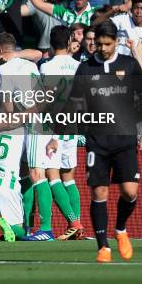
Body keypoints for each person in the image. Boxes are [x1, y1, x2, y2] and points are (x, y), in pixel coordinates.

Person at [69, 20, 142, 263]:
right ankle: (103, 247)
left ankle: (121, 229)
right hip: (97, 140)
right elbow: (75, 101)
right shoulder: (85, 69)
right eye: (98, 43)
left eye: (107, 44)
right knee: (99, 192)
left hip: (125, 138)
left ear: (116, 42)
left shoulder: (129, 65)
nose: (102, 48)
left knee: (129, 191)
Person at [40, 26, 84, 240]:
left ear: (50, 43)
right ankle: (77, 226)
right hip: (73, 125)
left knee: (51, 175)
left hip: (54, 127)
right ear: (69, 42)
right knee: (69, 177)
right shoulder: (79, 66)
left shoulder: (46, 68)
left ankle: (74, 222)